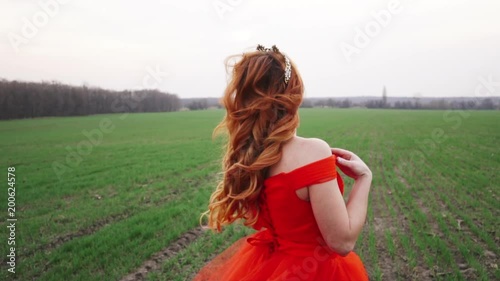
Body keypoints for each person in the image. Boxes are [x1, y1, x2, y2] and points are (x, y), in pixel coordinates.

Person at [194, 44, 372, 281]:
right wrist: (364, 179)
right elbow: (342, 241)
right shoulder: (313, 152)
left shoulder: (251, 156)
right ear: (293, 96)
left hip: (270, 266)